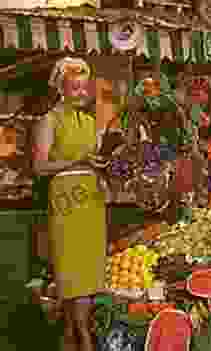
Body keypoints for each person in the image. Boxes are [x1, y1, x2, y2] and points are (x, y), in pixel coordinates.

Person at [33, 57, 106, 351]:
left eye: (83, 88)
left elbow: (94, 160)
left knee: (88, 274)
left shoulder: (90, 122)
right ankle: (83, 338)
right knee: (71, 272)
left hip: (91, 198)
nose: (80, 93)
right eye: (74, 88)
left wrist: (102, 171)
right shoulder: (48, 120)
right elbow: (39, 167)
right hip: (65, 200)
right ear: (60, 88)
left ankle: (72, 335)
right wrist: (78, 161)